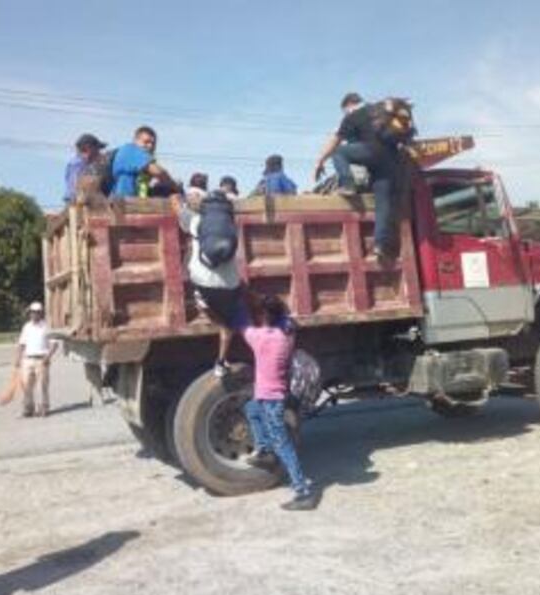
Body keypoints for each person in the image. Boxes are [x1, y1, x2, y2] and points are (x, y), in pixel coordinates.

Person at [242, 295, 317, 511]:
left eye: (260, 313)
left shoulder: (261, 338)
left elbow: (240, 323)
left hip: (271, 399)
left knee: (283, 446)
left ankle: (303, 492)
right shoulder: (285, 336)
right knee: (251, 409)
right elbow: (287, 321)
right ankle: (264, 450)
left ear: (265, 316)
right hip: (271, 396)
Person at [313, 92, 400, 260]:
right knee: (382, 203)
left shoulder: (354, 115)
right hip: (390, 161)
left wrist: (320, 161)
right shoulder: (380, 110)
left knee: (338, 152)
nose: (345, 114)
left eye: (344, 111)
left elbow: (335, 141)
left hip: (371, 152)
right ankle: (380, 245)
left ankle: (348, 184)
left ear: (349, 106)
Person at [171, 192, 245, 377]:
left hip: (203, 283)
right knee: (227, 322)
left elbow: (176, 206)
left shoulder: (197, 221)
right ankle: (221, 361)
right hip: (230, 285)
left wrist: (177, 197)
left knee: (207, 304)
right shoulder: (232, 226)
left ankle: (205, 309)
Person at [14, 302, 58, 417]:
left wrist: (48, 357)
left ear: (41, 313)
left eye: (37, 312)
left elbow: (54, 344)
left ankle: (43, 408)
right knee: (26, 385)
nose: (34, 314)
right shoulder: (26, 327)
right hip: (28, 359)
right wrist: (18, 358)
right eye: (32, 312)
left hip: (41, 359)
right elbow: (22, 343)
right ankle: (28, 408)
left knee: (42, 385)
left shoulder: (46, 327)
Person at [110, 126, 175, 198]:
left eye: (153, 144)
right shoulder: (129, 150)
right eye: (146, 142)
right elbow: (158, 172)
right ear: (135, 141)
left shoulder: (144, 162)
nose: (150, 146)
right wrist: (174, 186)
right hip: (123, 201)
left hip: (137, 200)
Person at [64, 133, 107, 203]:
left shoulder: (83, 164)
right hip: (76, 203)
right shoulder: (77, 165)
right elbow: (74, 189)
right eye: (97, 150)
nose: (99, 153)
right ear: (88, 149)